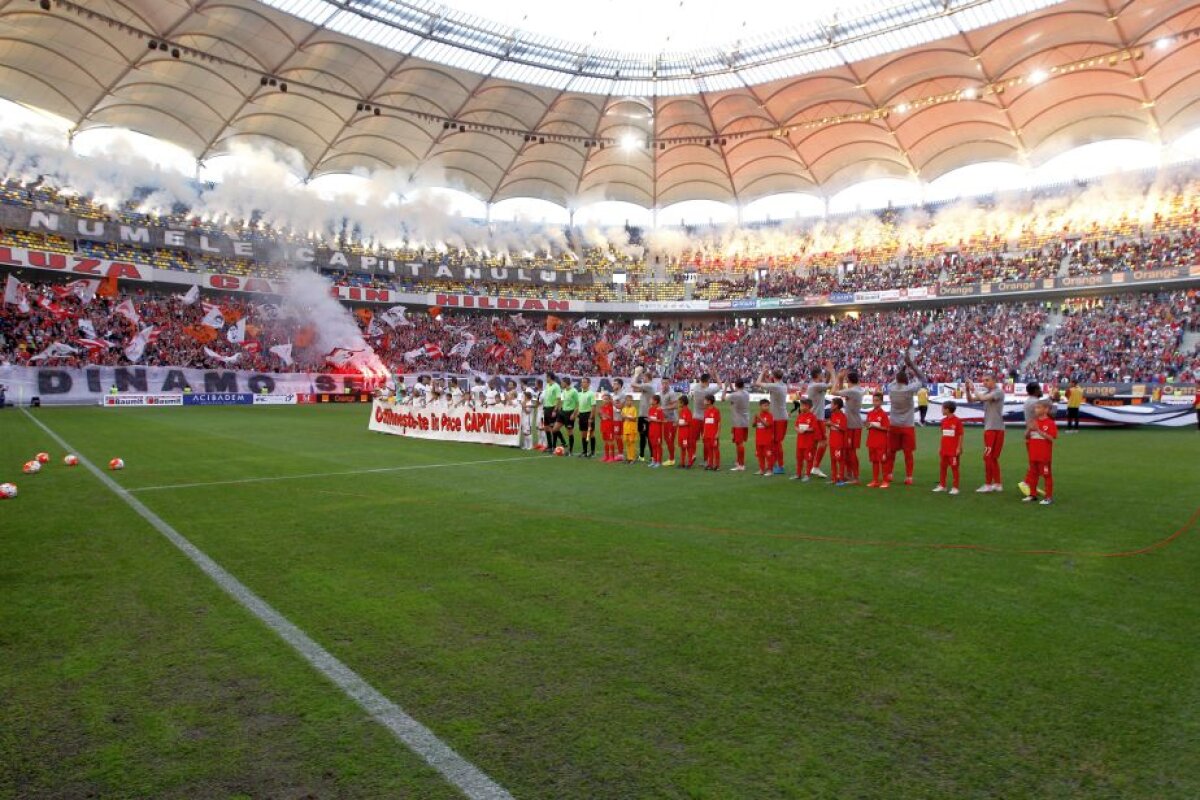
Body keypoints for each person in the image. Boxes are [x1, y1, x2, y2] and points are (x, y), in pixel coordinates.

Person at [885, 351, 924, 486]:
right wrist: (911, 365)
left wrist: (903, 367)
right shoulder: (908, 389)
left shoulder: (891, 389)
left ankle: (889, 474)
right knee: (908, 453)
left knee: (891, 451)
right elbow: (922, 379)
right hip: (907, 425)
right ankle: (909, 477)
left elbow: (896, 379)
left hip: (894, 423)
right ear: (906, 380)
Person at [965, 373, 1006, 493]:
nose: (985, 383)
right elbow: (970, 400)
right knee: (992, 457)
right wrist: (968, 390)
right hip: (995, 428)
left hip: (993, 428)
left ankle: (988, 484)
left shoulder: (998, 392)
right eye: (983, 381)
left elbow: (982, 398)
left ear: (994, 380)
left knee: (988, 457)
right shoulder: (989, 393)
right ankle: (998, 484)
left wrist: (974, 389)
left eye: (987, 380)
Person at [830, 365, 865, 484]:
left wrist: (836, 376)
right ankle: (849, 474)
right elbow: (843, 393)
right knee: (847, 451)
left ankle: (855, 477)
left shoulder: (853, 391)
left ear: (849, 381)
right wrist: (840, 379)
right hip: (852, 423)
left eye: (846, 380)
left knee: (851, 452)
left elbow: (834, 392)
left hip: (853, 425)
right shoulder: (857, 389)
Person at [1019, 400, 1057, 505]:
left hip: (1044, 456)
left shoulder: (1050, 423)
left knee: (1047, 475)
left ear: (1046, 409)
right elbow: (1026, 436)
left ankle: (1048, 497)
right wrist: (1028, 430)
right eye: (1036, 407)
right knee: (1033, 475)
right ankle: (1032, 495)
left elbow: (1051, 438)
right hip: (1033, 455)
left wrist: (1039, 430)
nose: (1036, 409)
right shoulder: (1033, 421)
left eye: (1038, 407)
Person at [753, 369, 789, 475]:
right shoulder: (782, 385)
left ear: (773, 376)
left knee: (776, 443)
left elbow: (758, 383)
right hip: (780, 416)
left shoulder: (776, 386)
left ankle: (780, 466)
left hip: (779, 418)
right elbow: (769, 384)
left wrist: (762, 372)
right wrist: (766, 376)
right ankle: (774, 464)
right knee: (774, 442)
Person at [805, 367, 832, 478]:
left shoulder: (815, 385)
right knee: (824, 442)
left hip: (814, 417)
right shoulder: (816, 386)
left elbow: (826, 383)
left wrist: (829, 372)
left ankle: (811, 466)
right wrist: (834, 372)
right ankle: (815, 467)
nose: (823, 375)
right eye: (822, 374)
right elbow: (831, 384)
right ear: (817, 375)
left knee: (815, 444)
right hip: (817, 418)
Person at [933, 400, 964, 495]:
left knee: (954, 468)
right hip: (944, 449)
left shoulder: (957, 421)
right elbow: (943, 435)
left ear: (947, 409)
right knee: (943, 467)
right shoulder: (943, 421)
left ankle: (955, 487)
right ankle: (942, 485)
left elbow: (960, 435)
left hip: (953, 450)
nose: (941, 410)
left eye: (943, 408)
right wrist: (940, 447)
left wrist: (959, 447)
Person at [689, 372, 719, 459]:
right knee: (706, 439)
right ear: (706, 381)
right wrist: (716, 374)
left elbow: (690, 396)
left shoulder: (695, 388)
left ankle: (693, 454)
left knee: (693, 438)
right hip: (706, 418)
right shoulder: (708, 391)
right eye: (709, 380)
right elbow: (720, 386)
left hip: (696, 417)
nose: (709, 382)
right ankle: (706, 459)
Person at [865, 391, 891, 488]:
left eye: (877, 401)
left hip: (881, 442)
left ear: (881, 402)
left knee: (883, 461)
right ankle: (875, 480)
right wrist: (867, 425)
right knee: (874, 461)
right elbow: (868, 425)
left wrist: (875, 426)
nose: (875, 402)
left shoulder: (883, 414)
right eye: (874, 400)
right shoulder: (870, 413)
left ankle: (885, 481)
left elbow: (887, 428)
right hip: (871, 441)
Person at [792, 398, 818, 482]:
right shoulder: (800, 416)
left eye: (802, 405)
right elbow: (795, 426)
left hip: (809, 442)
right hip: (800, 442)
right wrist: (797, 430)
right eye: (801, 405)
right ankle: (798, 474)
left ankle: (807, 475)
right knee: (799, 458)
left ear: (808, 406)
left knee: (809, 459)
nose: (801, 407)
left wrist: (806, 430)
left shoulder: (812, 417)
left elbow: (813, 428)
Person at [632, 367, 656, 461]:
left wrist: (636, 374)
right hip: (642, 414)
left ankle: (652, 455)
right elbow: (634, 389)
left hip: (647, 415)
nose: (643, 379)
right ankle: (641, 455)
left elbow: (633, 384)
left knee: (648, 435)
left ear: (648, 378)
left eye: (644, 378)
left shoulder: (649, 386)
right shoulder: (646, 386)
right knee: (642, 435)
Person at [726, 379, 750, 472]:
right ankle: (738, 461)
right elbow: (736, 393)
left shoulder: (736, 395)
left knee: (739, 443)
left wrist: (725, 388)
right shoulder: (746, 393)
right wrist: (731, 387)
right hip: (744, 421)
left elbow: (723, 398)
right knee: (738, 442)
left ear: (735, 385)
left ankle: (741, 464)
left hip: (738, 422)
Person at [827, 396, 849, 486]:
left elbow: (843, 428)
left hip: (839, 443)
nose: (830, 406)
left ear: (836, 406)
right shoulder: (832, 415)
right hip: (832, 441)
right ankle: (834, 479)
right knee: (833, 460)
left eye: (832, 404)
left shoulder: (842, 416)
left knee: (840, 460)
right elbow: (833, 426)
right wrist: (828, 425)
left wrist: (832, 424)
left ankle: (841, 479)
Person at [541, 372, 563, 453]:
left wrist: (555, 410)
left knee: (553, 429)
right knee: (546, 428)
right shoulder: (547, 386)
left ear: (550, 377)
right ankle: (549, 446)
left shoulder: (556, 386)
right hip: (546, 408)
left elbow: (558, 399)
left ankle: (554, 446)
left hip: (552, 409)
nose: (546, 379)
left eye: (546, 377)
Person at [752, 399, 774, 476]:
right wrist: (754, 420)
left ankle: (770, 470)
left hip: (767, 440)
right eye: (765, 406)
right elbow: (754, 425)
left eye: (768, 406)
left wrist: (760, 418)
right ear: (760, 406)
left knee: (768, 455)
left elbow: (767, 425)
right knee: (760, 455)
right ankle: (761, 469)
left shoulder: (770, 415)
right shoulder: (758, 415)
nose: (767, 407)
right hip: (759, 439)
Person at [577, 378, 597, 458]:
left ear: (588, 384)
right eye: (582, 382)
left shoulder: (591, 394)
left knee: (591, 434)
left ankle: (592, 452)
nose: (582, 383)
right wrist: (578, 416)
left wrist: (591, 417)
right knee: (583, 434)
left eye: (584, 382)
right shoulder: (579, 394)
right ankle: (584, 452)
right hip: (581, 415)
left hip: (588, 415)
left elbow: (593, 407)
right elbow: (579, 406)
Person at [661, 383, 680, 466]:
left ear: (668, 384)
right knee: (667, 439)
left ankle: (672, 459)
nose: (664, 385)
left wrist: (664, 408)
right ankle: (671, 457)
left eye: (665, 384)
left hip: (672, 420)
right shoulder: (661, 393)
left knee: (669, 439)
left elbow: (676, 405)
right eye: (662, 383)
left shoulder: (671, 393)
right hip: (666, 420)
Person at [560, 377, 580, 455]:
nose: (561, 384)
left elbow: (578, 404)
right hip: (563, 412)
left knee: (569, 432)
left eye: (562, 382)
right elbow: (564, 401)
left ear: (566, 383)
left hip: (570, 413)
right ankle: (563, 443)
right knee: (555, 428)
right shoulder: (564, 391)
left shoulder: (574, 391)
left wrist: (574, 414)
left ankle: (570, 451)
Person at [701, 395, 721, 471]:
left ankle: (717, 465)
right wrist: (703, 433)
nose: (704, 401)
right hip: (707, 434)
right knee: (709, 449)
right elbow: (705, 423)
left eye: (705, 400)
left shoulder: (716, 411)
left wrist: (717, 433)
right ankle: (710, 464)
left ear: (709, 401)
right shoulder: (705, 411)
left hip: (714, 434)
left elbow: (719, 422)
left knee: (715, 449)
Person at [677, 396, 695, 468]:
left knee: (687, 448)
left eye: (679, 402)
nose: (678, 404)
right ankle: (682, 463)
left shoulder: (687, 411)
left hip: (686, 433)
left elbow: (688, 422)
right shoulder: (681, 411)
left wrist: (680, 424)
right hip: (681, 432)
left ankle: (689, 463)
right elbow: (681, 421)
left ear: (683, 403)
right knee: (682, 448)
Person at [598, 393, 617, 461]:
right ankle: (606, 456)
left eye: (606, 399)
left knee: (610, 441)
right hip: (603, 426)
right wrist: (599, 414)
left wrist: (602, 413)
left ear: (609, 400)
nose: (605, 400)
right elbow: (602, 418)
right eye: (603, 399)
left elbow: (609, 417)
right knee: (605, 441)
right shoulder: (602, 407)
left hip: (610, 427)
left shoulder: (611, 407)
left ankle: (612, 457)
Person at [647, 394, 665, 468]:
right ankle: (654, 461)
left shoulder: (659, 410)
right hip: (651, 430)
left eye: (651, 399)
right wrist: (649, 420)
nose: (650, 401)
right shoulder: (650, 409)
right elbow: (650, 419)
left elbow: (662, 420)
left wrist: (653, 420)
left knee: (658, 446)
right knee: (653, 446)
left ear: (655, 401)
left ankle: (659, 461)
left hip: (657, 431)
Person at [620, 395, 638, 464]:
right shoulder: (624, 409)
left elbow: (634, 419)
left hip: (632, 429)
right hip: (626, 428)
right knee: (627, 443)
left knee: (631, 443)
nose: (628, 402)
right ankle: (628, 457)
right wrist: (623, 417)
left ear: (632, 401)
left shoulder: (634, 409)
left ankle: (632, 458)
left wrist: (626, 416)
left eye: (630, 400)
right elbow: (622, 419)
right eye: (627, 400)